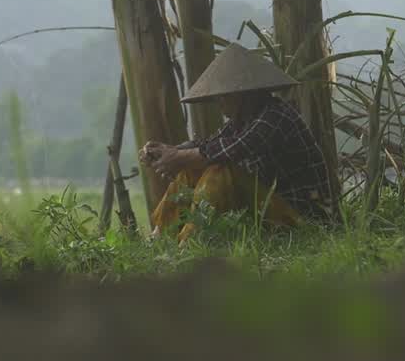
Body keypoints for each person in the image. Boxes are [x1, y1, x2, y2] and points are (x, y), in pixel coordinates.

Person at [140, 43, 333, 242]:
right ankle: (160, 237)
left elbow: (232, 150)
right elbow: (209, 144)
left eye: (223, 96)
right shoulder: (240, 122)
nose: (219, 103)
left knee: (222, 170)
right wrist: (167, 152)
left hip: (304, 219)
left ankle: (190, 244)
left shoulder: (275, 116)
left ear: (243, 94)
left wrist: (177, 156)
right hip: (271, 211)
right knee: (189, 170)